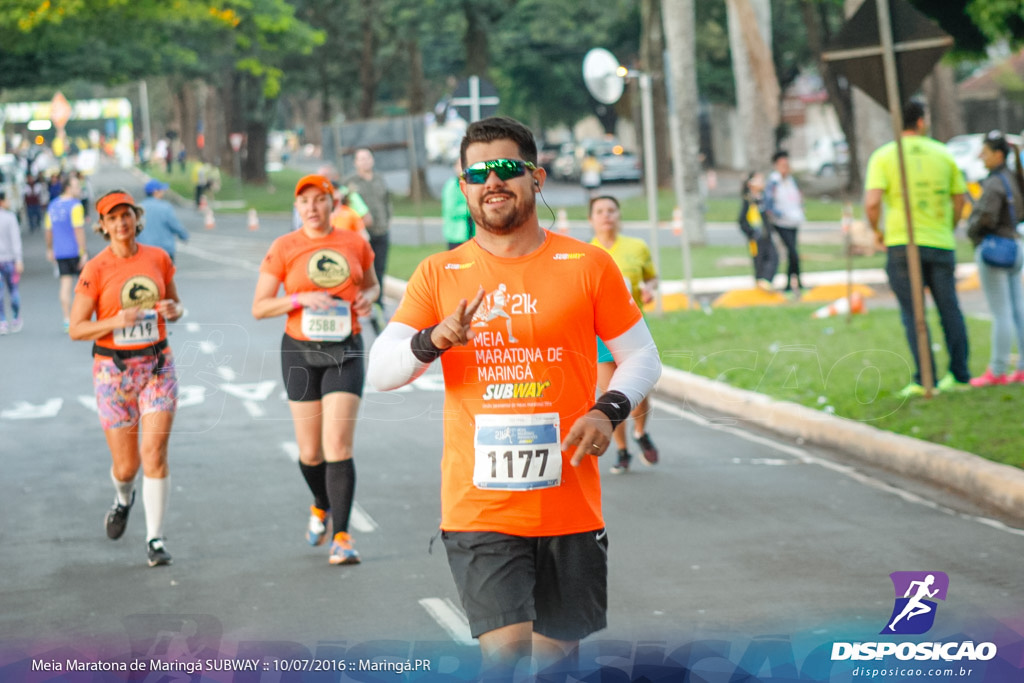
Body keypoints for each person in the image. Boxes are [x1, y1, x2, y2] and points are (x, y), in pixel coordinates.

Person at [367, 116, 662, 675]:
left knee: (556, 667)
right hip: (480, 505)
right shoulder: (440, 274)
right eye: (477, 172)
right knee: (502, 662)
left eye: (506, 168)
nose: (492, 181)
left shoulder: (588, 265)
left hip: (569, 502)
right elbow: (382, 370)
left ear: (537, 177)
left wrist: (608, 409)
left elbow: (643, 356)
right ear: (463, 187)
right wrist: (435, 339)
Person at [252, 174, 379, 566]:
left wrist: (366, 301)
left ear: (332, 203)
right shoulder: (284, 247)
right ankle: (320, 502)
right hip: (299, 351)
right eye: (303, 200)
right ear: (297, 207)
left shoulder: (354, 242)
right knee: (310, 452)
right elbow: (259, 306)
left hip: (346, 349)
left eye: (319, 199)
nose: (311, 207)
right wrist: (298, 298)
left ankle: (342, 536)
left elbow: (372, 287)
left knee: (337, 445)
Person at [68, 189, 184, 567]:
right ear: (102, 225)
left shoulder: (158, 258)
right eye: (112, 217)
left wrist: (173, 309)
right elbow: (76, 328)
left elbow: (176, 305)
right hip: (112, 372)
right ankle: (123, 498)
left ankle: (155, 539)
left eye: (126, 215)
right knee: (127, 467)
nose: (121, 223)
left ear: (137, 217)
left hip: (156, 365)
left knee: (155, 454)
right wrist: (116, 320)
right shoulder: (95, 269)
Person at [864, 100, 971, 396]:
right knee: (949, 308)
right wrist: (948, 225)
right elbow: (960, 198)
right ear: (921, 122)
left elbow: (872, 203)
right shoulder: (943, 153)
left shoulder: (885, 156)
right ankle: (960, 375)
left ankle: (926, 378)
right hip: (939, 240)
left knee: (913, 313)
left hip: (901, 243)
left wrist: (877, 231)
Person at [588, 195, 660, 473]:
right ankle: (621, 450)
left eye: (611, 210)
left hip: (632, 329)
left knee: (639, 394)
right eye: (600, 211)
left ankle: (641, 433)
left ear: (619, 215)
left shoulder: (636, 247)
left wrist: (650, 288)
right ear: (591, 218)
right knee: (611, 394)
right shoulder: (585, 252)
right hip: (599, 335)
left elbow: (651, 276)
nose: (606, 215)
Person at [965, 131, 1024, 386]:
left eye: (985, 152)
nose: (981, 156)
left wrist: (972, 232)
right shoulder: (1013, 178)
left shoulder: (994, 183)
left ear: (998, 154)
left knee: (1001, 313)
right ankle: (1020, 367)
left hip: (995, 249)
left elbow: (985, 216)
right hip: (1015, 245)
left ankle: (998, 369)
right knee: (1017, 311)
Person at [343, 149, 391, 331]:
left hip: (381, 231)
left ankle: (378, 305)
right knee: (362, 272)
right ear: (355, 162)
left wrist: (387, 221)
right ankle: (361, 306)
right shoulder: (350, 182)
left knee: (380, 269)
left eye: (368, 158)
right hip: (362, 235)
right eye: (361, 159)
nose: (365, 161)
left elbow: (387, 201)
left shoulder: (379, 179)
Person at [46, 174, 87, 331]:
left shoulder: (52, 205)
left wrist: (50, 249)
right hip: (75, 251)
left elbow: (48, 230)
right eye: (77, 186)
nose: (79, 189)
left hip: (60, 252)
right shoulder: (76, 206)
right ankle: (80, 318)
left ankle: (66, 319)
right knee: (84, 286)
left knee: (65, 285)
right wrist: (83, 251)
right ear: (68, 188)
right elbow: (79, 230)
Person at [764, 150, 804, 294]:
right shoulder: (774, 182)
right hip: (781, 222)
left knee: (794, 252)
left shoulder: (791, 181)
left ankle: (794, 282)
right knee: (792, 252)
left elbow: (798, 199)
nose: (785, 168)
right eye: (782, 165)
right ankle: (793, 282)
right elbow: (768, 204)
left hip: (794, 221)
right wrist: (780, 214)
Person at [738, 171, 779, 291]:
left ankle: (766, 283)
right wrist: (751, 233)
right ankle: (760, 287)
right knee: (759, 262)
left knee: (773, 258)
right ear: (750, 183)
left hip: (766, 235)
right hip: (756, 238)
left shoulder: (763, 199)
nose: (762, 182)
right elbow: (742, 221)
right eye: (758, 180)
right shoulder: (748, 200)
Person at [138, 179, 190, 262]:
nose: (163, 192)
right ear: (155, 192)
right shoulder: (165, 207)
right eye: (161, 190)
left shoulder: (139, 208)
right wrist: (184, 235)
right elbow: (174, 225)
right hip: (164, 251)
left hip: (144, 251)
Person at [0, 190, 24, 334]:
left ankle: (2, 321)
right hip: (10, 261)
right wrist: (19, 259)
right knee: (13, 291)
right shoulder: (10, 217)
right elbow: (16, 240)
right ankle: (16, 318)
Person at [441, 159, 473, 249]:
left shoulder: (472, 184)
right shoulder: (451, 186)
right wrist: (474, 209)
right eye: (460, 165)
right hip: (457, 236)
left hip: (471, 234)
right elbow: (452, 210)